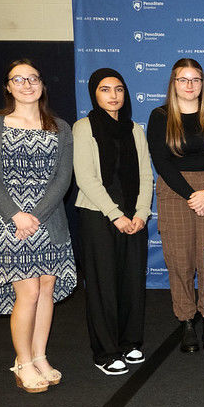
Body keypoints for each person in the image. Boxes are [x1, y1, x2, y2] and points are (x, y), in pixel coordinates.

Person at [0, 59, 76, 393]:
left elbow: (63, 179)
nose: (27, 84)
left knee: (46, 285)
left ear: (42, 84)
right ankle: (22, 361)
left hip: (49, 220)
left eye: (33, 78)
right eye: (18, 79)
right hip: (8, 222)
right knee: (28, 291)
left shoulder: (59, 126)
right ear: (8, 86)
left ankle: (40, 356)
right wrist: (17, 214)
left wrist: (38, 213)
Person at [147, 58, 204, 353]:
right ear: (173, 84)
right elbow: (162, 162)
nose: (190, 86)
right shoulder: (160, 117)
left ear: (202, 84)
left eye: (195, 80)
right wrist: (190, 195)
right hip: (175, 192)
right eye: (183, 80)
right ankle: (186, 320)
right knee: (180, 260)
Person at [73, 68, 153, 375]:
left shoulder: (135, 129)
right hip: (98, 215)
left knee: (132, 281)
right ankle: (105, 352)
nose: (113, 95)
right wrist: (115, 214)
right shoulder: (84, 127)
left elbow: (146, 174)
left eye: (118, 89)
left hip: (134, 217)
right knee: (103, 283)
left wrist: (141, 213)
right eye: (106, 90)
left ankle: (130, 342)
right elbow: (86, 178)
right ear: (94, 93)